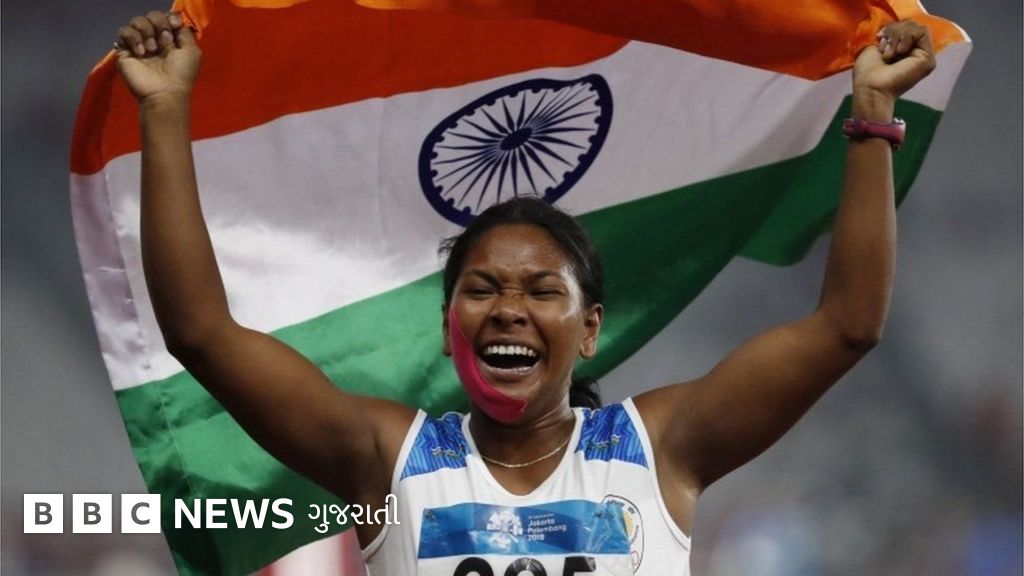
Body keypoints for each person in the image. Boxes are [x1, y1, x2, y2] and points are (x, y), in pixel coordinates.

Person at [114, 10, 936, 574]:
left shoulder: (661, 448)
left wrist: (872, 114)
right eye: (482, 289)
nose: (509, 307)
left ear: (591, 330)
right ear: (448, 328)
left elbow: (847, 326)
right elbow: (200, 333)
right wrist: (164, 110)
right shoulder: (386, 459)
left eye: (543, 290)